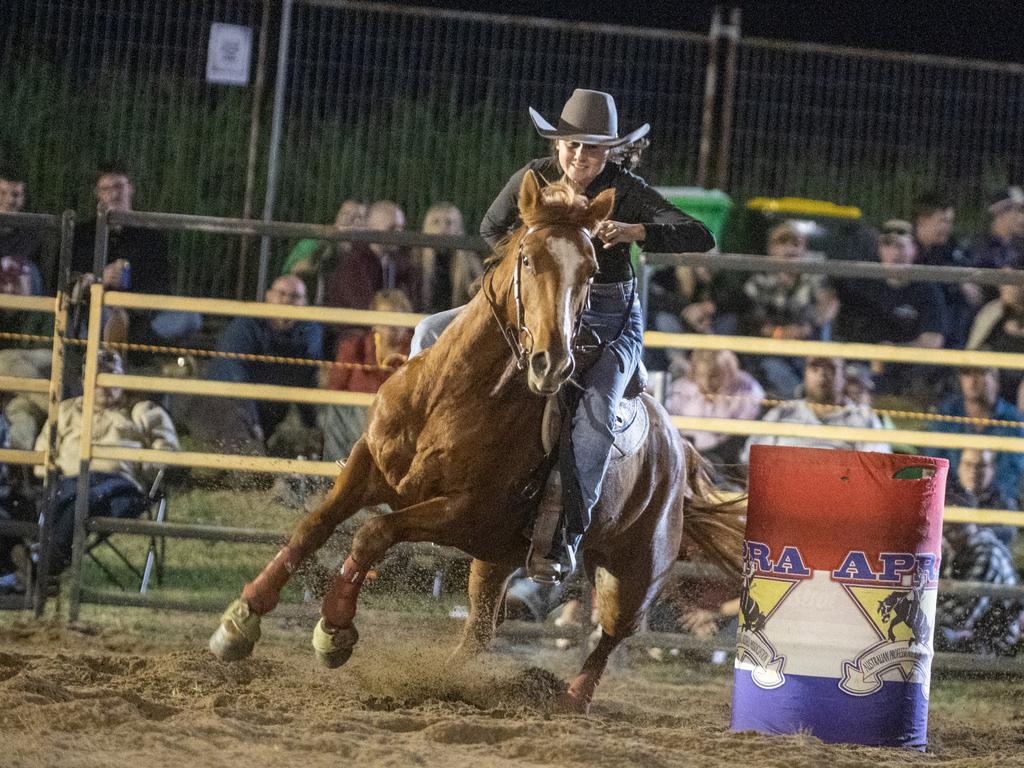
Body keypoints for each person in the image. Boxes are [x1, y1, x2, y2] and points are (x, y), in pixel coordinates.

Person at [416, 88, 715, 578]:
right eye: (572, 145)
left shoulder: (628, 189)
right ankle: (408, 446)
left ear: (610, 152)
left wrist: (637, 231)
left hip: (608, 314)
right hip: (535, 304)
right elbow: (493, 229)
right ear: (558, 146)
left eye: (593, 148)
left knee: (597, 409)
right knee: (428, 332)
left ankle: (566, 534)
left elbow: (701, 235)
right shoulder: (532, 178)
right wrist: (538, 258)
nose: (580, 155)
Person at [29, 350, 179, 577]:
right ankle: (47, 561)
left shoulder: (142, 411)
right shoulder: (66, 411)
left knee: (84, 495)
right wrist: (49, 471)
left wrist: (152, 470)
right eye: (98, 377)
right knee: (74, 494)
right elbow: (42, 453)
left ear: (123, 378)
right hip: (68, 483)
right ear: (84, 381)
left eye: (112, 377)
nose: (105, 385)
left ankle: (45, 563)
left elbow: (168, 451)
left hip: (120, 489)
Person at [176, 276, 323, 456]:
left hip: (265, 407)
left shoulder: (309, 333)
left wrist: (312, 426)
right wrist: (254, 424)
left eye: (295, 297)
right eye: (281, 294)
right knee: (245, 447)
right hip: (225, 401)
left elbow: (307, 379)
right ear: (268, 297)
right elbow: (236, 376)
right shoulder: (246, 326)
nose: (287, 301)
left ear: (305, 303)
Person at [71, 165, 202, 345]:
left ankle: (124, 344)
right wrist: (101, 278)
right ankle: (136, 347)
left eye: (119, 187)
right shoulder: (83, 234)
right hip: (100, 310)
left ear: (130, 188)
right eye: (106, 189)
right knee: (93, 316)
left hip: (143, 316)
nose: (113, 194)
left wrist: (130, 307)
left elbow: (160, 286)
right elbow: (69, 282)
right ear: (97, 194)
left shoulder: (152, 236)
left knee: (190, 317)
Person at [833, 219, 948, 395]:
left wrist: (892, 352)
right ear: (880, 250)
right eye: (888, 245)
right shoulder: (863, 283)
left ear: (913, 250)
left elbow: (933, 341)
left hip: (907, 370)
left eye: (901, 246)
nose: (895, 253)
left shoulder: (927, 290)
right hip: (862, 367)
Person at [737, 220, 839, 398]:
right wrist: (778, 332)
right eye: (782, 243)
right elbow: (751, 316)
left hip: (806, 341)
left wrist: (806, 328)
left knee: (816, 355)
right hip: (772, 344)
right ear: (771, 249)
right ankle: (800, 401)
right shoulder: (759, 278)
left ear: (804, 248)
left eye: (796, 244)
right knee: (772, 367)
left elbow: (829, 305)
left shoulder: (815, 272)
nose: (790, 250)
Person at [741, 356, 892, 461]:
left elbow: (876, 469)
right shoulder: (783, 413)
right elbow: (750, 461)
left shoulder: (864, 419)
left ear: (844, 376)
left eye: (830, 368)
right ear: (805, 374)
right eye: (815, 368)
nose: (822, 374)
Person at [320, 289, 413, 461]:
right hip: (355, 418)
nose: (391, 325)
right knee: (335, 410)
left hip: (397, 420)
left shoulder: (417, 349)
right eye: (384, 318)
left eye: (397, 318)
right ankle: (333, 477)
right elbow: (336, 387)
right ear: (373, 322)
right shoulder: (354, 346)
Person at [927, 365, 1024, 506]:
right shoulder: (947, 415)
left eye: (981, 373)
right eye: (967, 373)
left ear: (996, 379)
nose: (972, 380)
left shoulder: (1013, 421)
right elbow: (933, 466)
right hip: (952, 502)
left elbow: (1014, 476)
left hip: (999, 505)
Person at [664, 349, 764, 467]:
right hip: (683, 451)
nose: (706, 383)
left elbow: (742, 431)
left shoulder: (748, 389)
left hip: (729, 456)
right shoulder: (680, 388)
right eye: (701, 375)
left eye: (714, 376)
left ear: (729, 372)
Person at [936, 521, 1022, 657]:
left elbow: (964, 615)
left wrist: (928, 618)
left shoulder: (986, 552)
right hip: (973, 635)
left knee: (926, 635)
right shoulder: (962, 549)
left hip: (993, 645)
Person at [324, 200, 421, 311]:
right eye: (392, 228)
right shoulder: (354, 264)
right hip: (357, 326)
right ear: (371, 228)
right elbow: (364, 308)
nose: (399, 234)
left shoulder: (397, 262)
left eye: (401, 228)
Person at [911, 192, 979, 348]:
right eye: (943, 221)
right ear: (922, 221)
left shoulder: (951, 249)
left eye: (950, 222)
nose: (948, 227)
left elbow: (972, 290)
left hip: (949, 327)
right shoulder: (905, 250)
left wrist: (964, 285)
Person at [281, 200, 367, 304]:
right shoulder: (312, 242)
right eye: (345, 213)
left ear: (366, 224)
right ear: (337, 217)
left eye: (357, 217)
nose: (349, 219)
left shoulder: (367, 253)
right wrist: (321, 251)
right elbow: (294, 271)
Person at [966, 280, 1024, 411]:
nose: (1002, 286)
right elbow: (971, 353)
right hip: (992, 379)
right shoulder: (992, 311)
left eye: (1009, 280)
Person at [418, 202, 484, 313]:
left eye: (449, 223)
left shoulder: (470, 262)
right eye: (436, 222)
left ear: (458, 228)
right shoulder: (416, 260)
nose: (442, 228)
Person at [946, 448, 1018, 545]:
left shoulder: (1004, 504)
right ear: (959, 467)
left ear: (992, 469)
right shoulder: (946, 500)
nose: (974, 470)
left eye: (981, 466)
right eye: (968, 464)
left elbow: (1006, 535)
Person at [0, 165, 45, 295]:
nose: (8, 200)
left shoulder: (31, 230)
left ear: (23, 198)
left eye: (15, 194)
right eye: (2, 193)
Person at [970, 186, 1024, 273]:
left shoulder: (1019, 245)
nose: (1022, 218)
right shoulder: (980, 245)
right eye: (1018, 211)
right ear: (1000, 213)